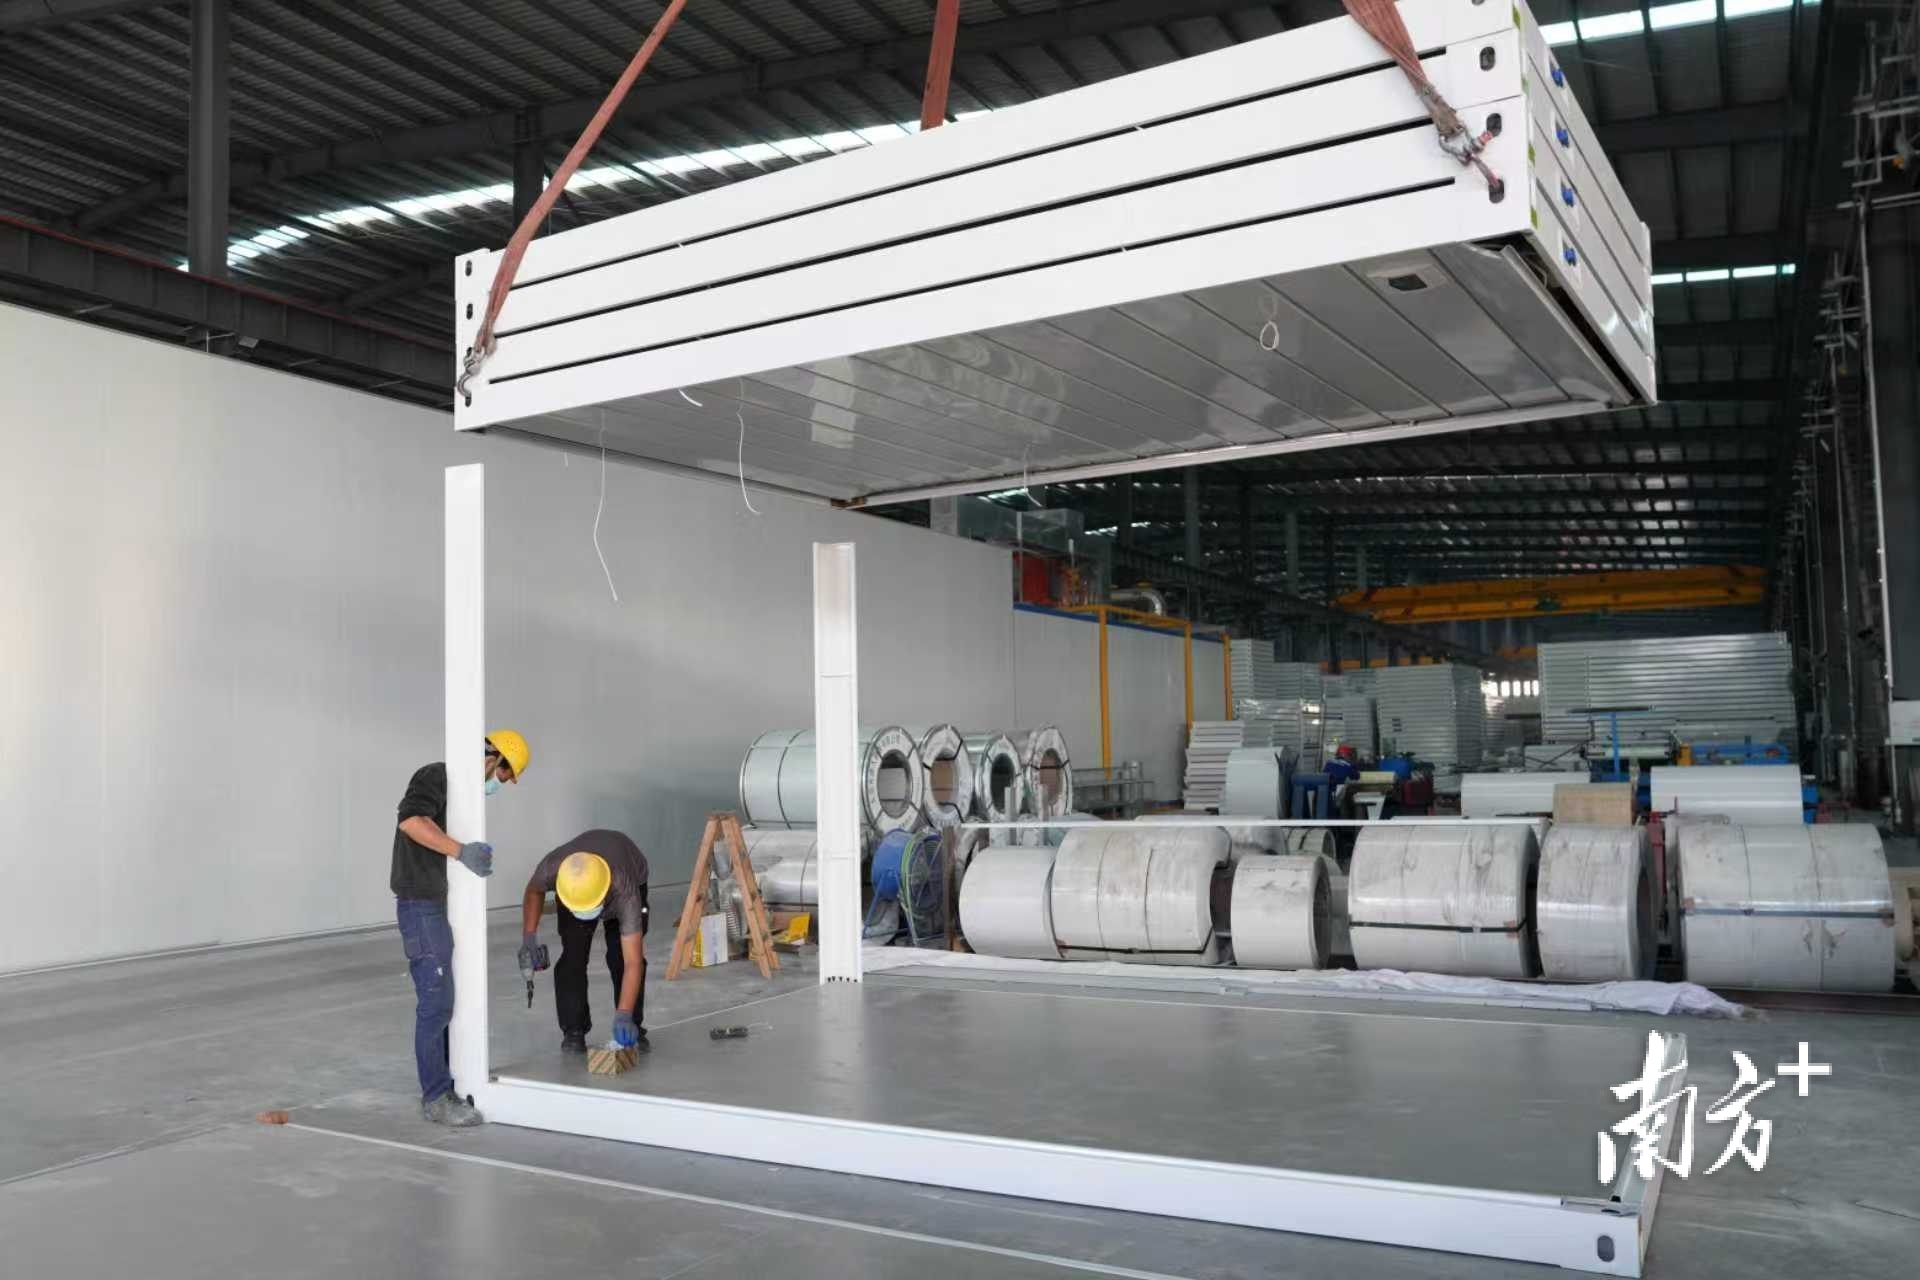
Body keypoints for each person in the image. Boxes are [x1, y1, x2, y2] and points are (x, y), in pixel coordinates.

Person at [392, 729, 530, 1127]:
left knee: (450, 998)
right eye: (502, 776)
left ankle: (451, 1082)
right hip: (420, 904)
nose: (498, 785)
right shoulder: (437, 775)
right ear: (493, 758)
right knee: (435, 1000)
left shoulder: (466, 797)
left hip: (441, 904)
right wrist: (461, 852)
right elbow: (411, 822)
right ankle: (436, 1097)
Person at [518, 831, 650, 1056]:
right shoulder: (554, 869)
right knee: (573, 956)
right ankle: (573, 1031)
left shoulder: (625, 891)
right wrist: (529, 937)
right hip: (577, 889)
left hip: (627, 873)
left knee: (619, 956)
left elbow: (633, 961)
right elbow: (533, 890)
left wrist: (624, 1013)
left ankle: (631, 1026)